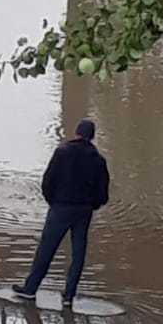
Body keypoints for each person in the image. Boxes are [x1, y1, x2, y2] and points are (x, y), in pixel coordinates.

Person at [13, 119, 110, 309]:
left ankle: (31, 289)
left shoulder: (62, 152)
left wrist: (53, 201)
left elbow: (48, 181)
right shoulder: (98, 160)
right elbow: (103, 193)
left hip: (61, 207)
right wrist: (93, 205)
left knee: (46, 249)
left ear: (76, 132)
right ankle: (68, 296)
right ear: (92, 136)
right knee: (78, 253)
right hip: (84, 211)